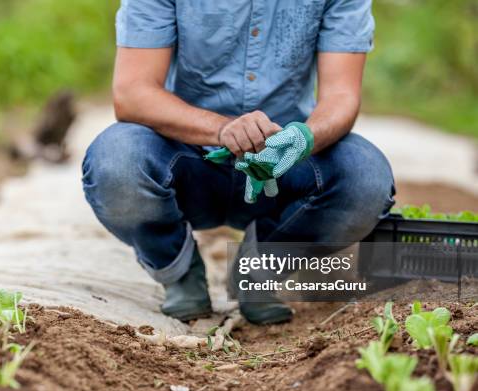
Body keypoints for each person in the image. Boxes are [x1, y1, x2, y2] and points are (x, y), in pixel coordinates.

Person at [82, 0, 395, 324]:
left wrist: (304, 137)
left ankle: (258, 270)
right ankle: (179, 271)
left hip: (283, 163)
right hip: (186, 157)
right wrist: (221, 129)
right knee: (116, 159)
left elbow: (342, 95)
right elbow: (132, 93)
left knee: (365, 176)